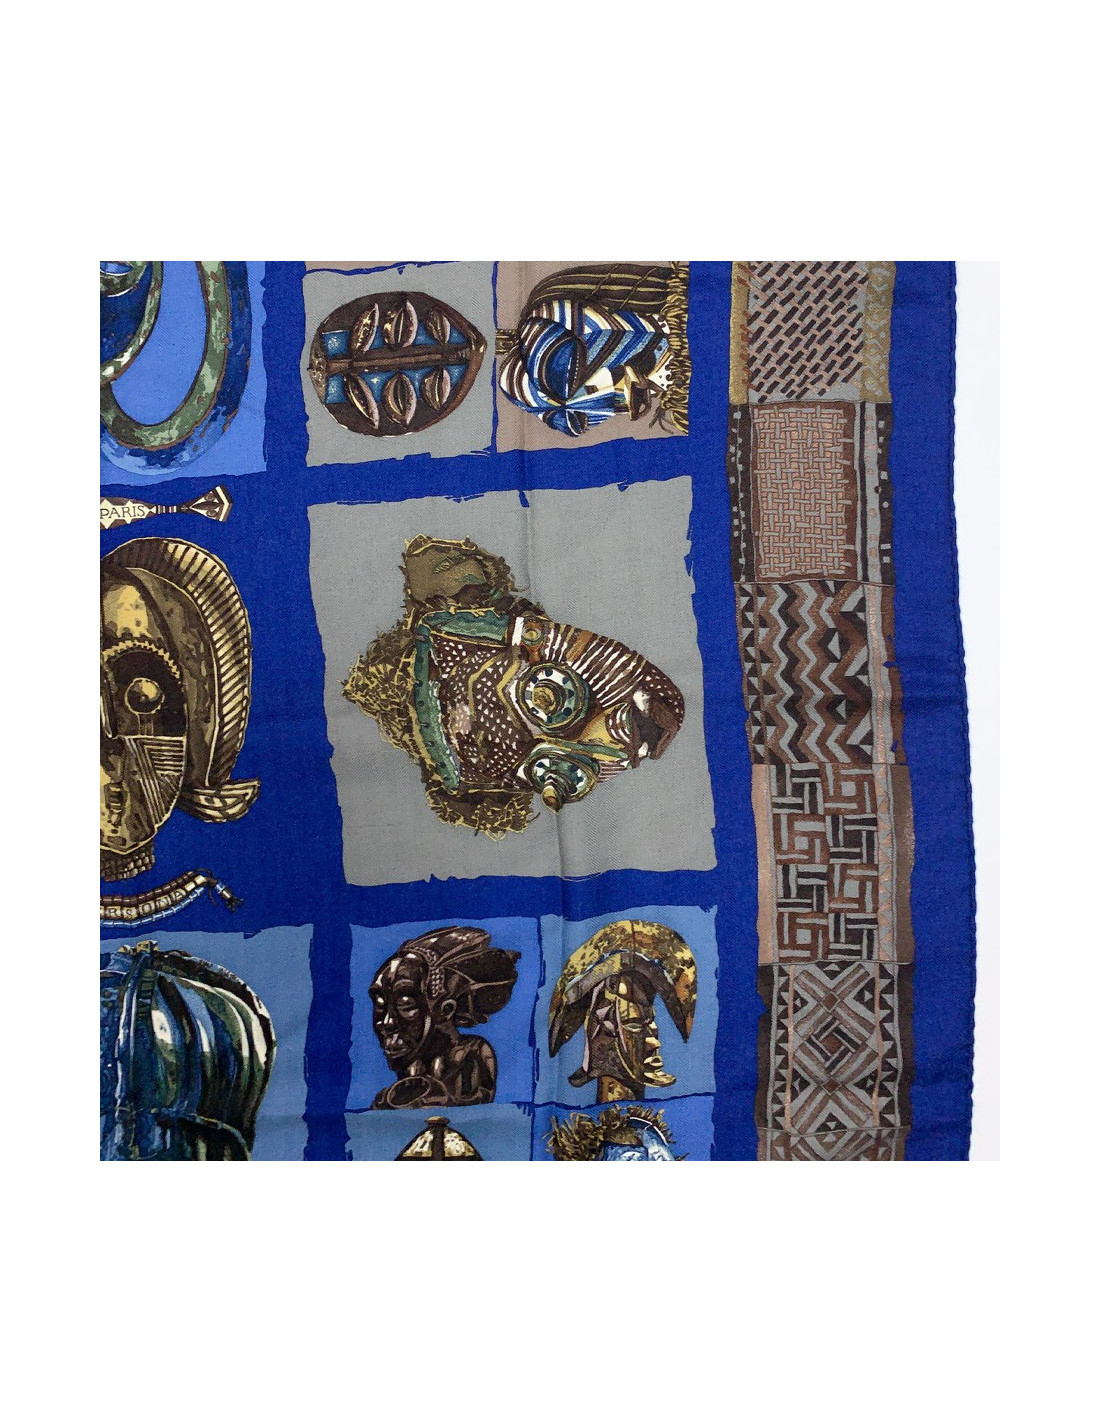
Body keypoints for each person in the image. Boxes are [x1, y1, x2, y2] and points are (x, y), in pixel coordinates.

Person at [369, 927, 520, 1109]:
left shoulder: (471, 1054)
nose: (387, 1023)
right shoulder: (409, 1069)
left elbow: (473, 1109)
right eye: (380, 1004)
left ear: (445, 1010)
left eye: (406, 1005)